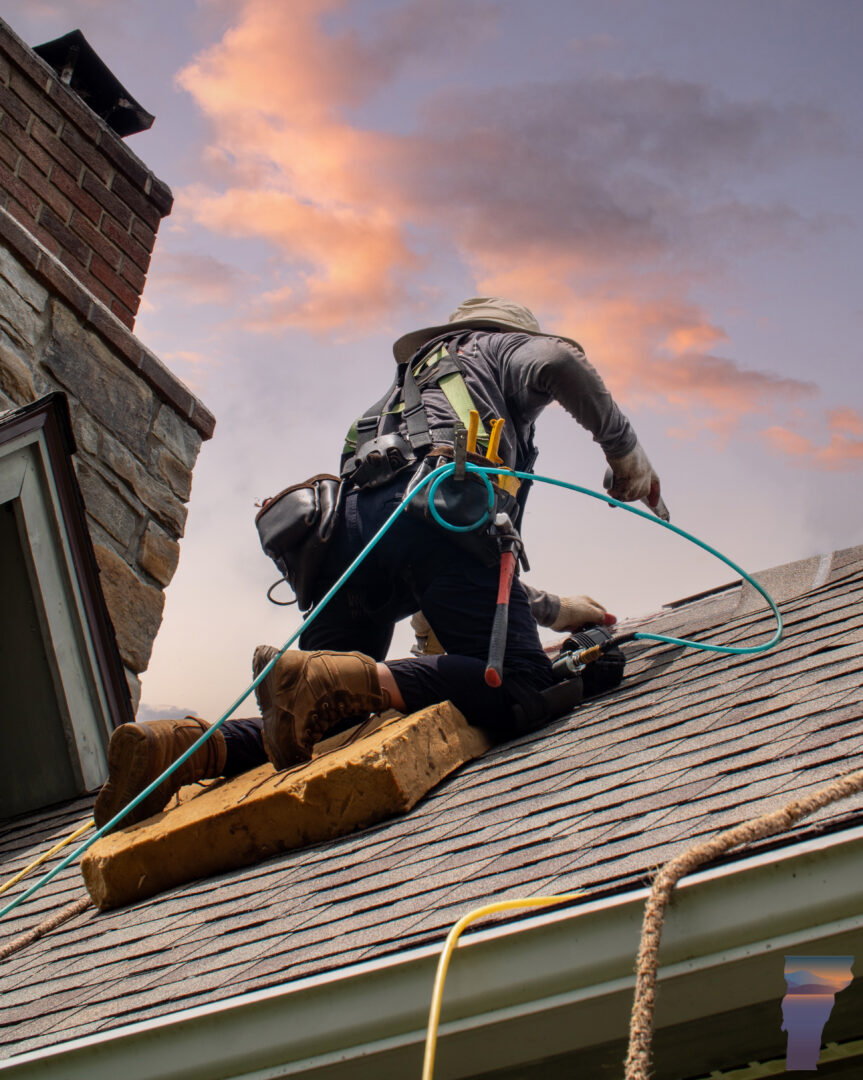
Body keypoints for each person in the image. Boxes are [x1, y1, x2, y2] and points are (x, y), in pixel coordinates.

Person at [94, 298, 663, 830]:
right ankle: (314, 680)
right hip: (440, 519)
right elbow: (560, 360)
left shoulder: (402, 392)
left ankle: (173, 751)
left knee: (322, 720)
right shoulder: (496, 349)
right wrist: (625, 452)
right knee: (521, 685)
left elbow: (453, 568)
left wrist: (552, 609)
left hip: (349, 539)